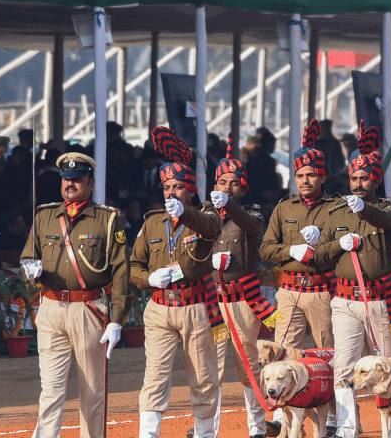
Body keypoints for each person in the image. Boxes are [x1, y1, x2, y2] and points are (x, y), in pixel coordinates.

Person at [20, 152, 129, 438]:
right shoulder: (45, 216)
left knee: (92, 390)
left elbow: (120, 272)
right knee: (51, 389)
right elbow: (27, 258)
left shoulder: (107, 219)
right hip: (51, 308)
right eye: (66, 179)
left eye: (77, 179)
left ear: (90, 183)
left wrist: (117, 319)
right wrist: (29, 270)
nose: (70, 184)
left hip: (89, 308)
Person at [315, 123, 391, 438]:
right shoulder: (337, 212)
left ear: (376, 179)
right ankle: (346, 427)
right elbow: (320, 255)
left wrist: (365, 210)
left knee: (386, 367)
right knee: (343, 366)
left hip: (380, 300)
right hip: (344, 301)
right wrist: (337, 245)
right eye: (353, 178)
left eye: (364, 178)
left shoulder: (389, 206)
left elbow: (390, 221)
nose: (357, 184)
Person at [129, 150, 223, 438]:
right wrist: (148, 279)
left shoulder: (206, 217)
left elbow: (211, 228)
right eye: (167, 187)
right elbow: (133, 266)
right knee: (155, 375)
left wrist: (187, 214)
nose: (171, 192)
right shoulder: (152, 223)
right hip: (159, 307)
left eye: (178, 187)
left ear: (191, 190)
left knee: (203, 377)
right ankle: (149, 434)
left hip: (197, 307)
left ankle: (206, 433)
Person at [205, 138, 274, 438]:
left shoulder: (253, 212)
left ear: (243, 189)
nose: (228, 187)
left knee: (248, 364)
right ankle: (207, 430)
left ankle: (257, 428)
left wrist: (230, 206)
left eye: (234, 183)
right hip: (210, 301)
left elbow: (252, 225)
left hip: (242, 301)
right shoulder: (204, 216)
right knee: (211, 369)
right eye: (222, 182)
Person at [258, 119, 340, 352]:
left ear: (322, 177)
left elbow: (344, 248)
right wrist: (291, 250)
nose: (304, 180)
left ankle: (332, 390)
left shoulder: (336, 206)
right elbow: (266, 249)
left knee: (328, 351)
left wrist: (322, 243)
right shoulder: (285, 207)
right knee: (284, 353)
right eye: (300, 175)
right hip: (288, 291)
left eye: (311, 175)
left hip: (322, 291)